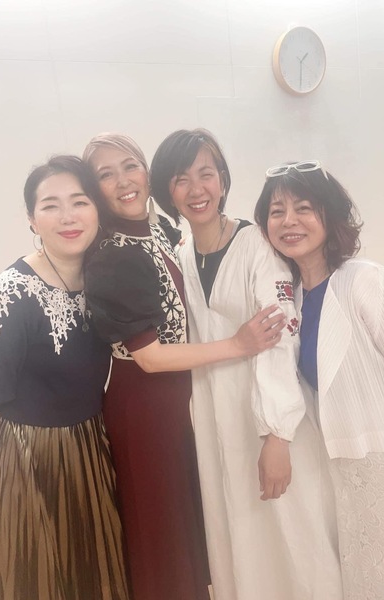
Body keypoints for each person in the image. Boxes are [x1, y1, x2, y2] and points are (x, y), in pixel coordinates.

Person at [82, 133, 284, 600]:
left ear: (146, 174)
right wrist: (237, 344)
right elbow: (150, 357)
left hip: (180, 401)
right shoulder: (113, 254)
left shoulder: (163, 234)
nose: (123, 181)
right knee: (162, 532)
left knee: (188, 525)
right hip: (145, 405)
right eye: (106, 175)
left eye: (129, 166)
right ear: (94, 189)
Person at [150, 129, 343, 600]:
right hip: (216, 425)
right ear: (167, 191)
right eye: (181, 179)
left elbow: (281, 338)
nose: (196, 189)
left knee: (293, 537)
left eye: (206, 174)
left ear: (222, 179)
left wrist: (277, 435)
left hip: (270, 422)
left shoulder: (256, 242)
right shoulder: (179, 255)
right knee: (238, 539)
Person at [0, 156, 130, 600]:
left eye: (79, 202)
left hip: (89, 451)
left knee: (93, 576)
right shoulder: (6, 296)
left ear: (97, 210)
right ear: (32, 219)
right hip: (27, 460)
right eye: (51, 205)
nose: (68, 216)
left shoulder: (102, 279)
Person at [255, 160, 384, 600]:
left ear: (329, 214)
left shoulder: (365, 281)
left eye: (303, 208)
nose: (289, 221)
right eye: (277, 211)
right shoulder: (292, 299)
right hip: (334, 468)